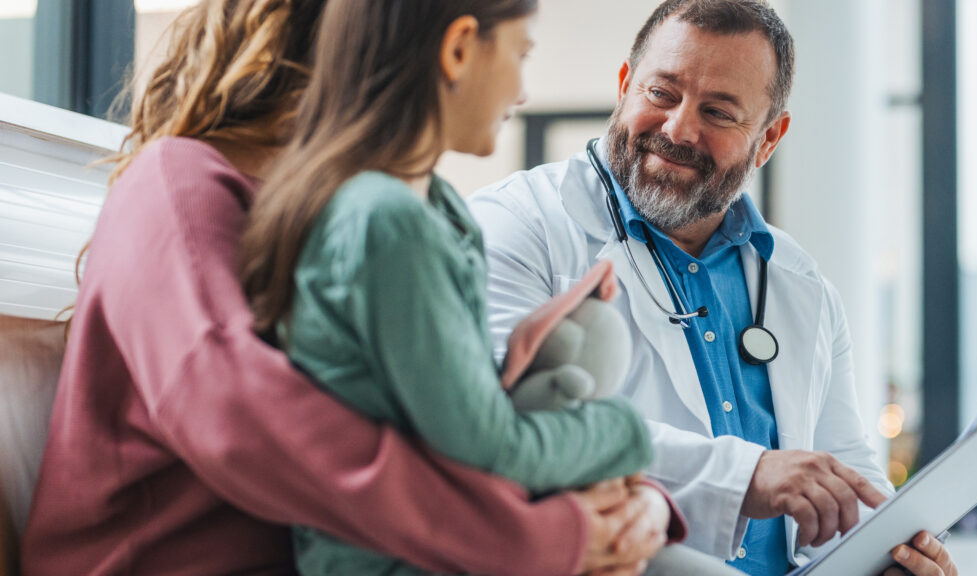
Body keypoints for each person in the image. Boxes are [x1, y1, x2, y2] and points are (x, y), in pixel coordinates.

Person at [20, 1, 679, 574]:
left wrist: (636, 499)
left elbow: (442, 419)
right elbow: (249, 426)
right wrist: (545, 537)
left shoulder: (367, 212)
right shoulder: (178, 187)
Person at [468, 1, 958, 575]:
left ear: (769, 138)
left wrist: (892, 554)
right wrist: (747, 476)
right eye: (661, 93)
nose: (679, 129)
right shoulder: (514, 226)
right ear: (626, 84)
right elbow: (513, 426)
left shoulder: (800, 283)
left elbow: (844, 471)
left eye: (719, 112)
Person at [235, 1, 698, 574]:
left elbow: (445, 412)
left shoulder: (438, 208)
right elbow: (490, 449)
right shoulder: (385, 220)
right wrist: (624, 431)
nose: (523, 92)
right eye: (520, 55)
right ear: (457, 50)